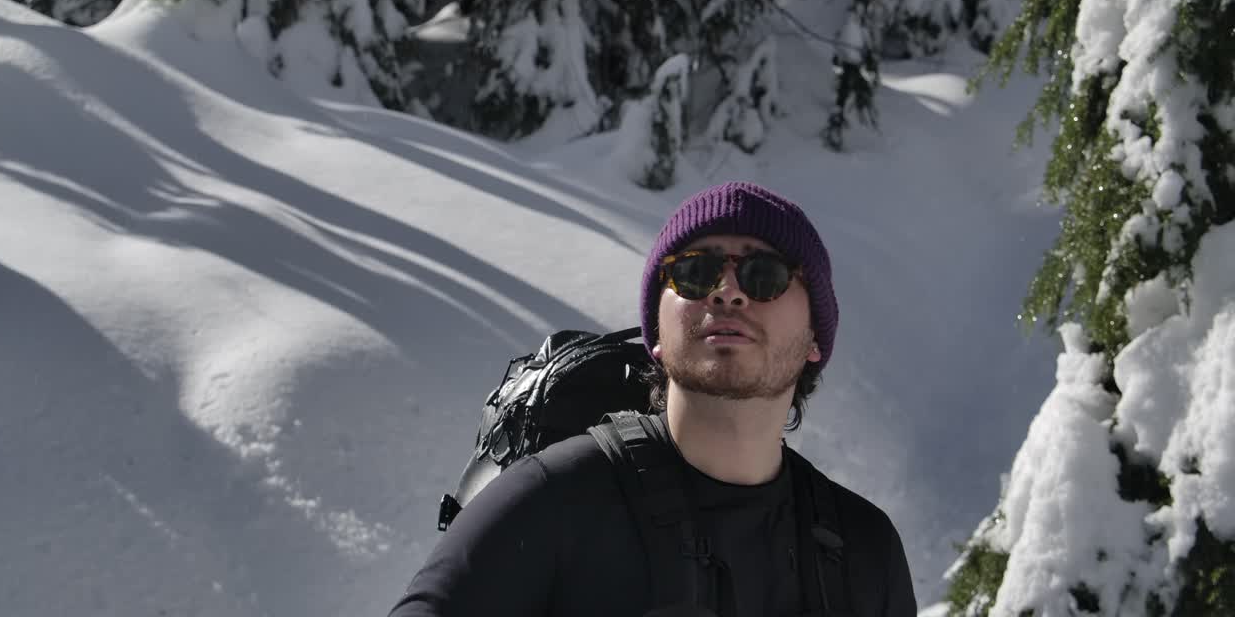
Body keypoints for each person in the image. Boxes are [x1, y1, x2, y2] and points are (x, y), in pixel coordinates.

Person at [389, 181, 917, 616]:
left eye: (765, 276)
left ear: (816, 338)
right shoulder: (551, 501)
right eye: (694, 272)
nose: (727, 291)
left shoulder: (863, 549)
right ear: (656, 335)